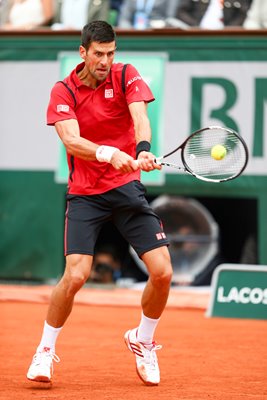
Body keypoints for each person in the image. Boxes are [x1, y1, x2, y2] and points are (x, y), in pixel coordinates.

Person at [26, 20, 173, 386]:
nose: (106, 60)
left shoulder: (125, 75)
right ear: (83, 52)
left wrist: (142, 151)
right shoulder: (63, 90)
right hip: (86, 194)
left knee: (163, 272)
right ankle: (45, 350)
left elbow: (140, 117)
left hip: (126, 190)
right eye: (98, 54)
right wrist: (108, 153)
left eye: (111, 53)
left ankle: (143, 340)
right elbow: (71, 141)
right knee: (76, 275)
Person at [175, 0, 250, 29]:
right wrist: (196, 26)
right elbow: (181, 12)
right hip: (196, 33)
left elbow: (242, 14)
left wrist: (228, 29)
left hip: (227, 35)